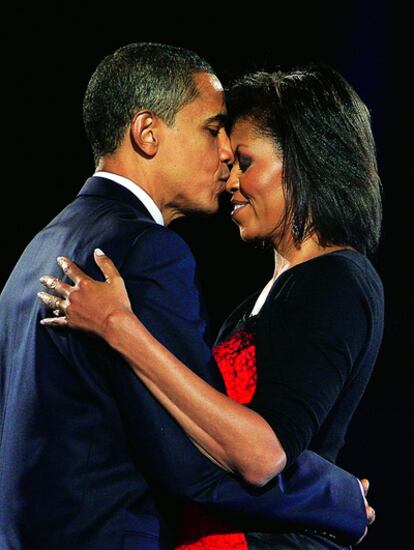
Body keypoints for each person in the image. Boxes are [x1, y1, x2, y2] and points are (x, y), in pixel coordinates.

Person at [0, 43, 370, 550]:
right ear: (148, 132)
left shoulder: (35, 254)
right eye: (213, 130)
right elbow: (192, 460)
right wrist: (339, 496)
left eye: (241, 155)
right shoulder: (145, 250)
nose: (225, 161)